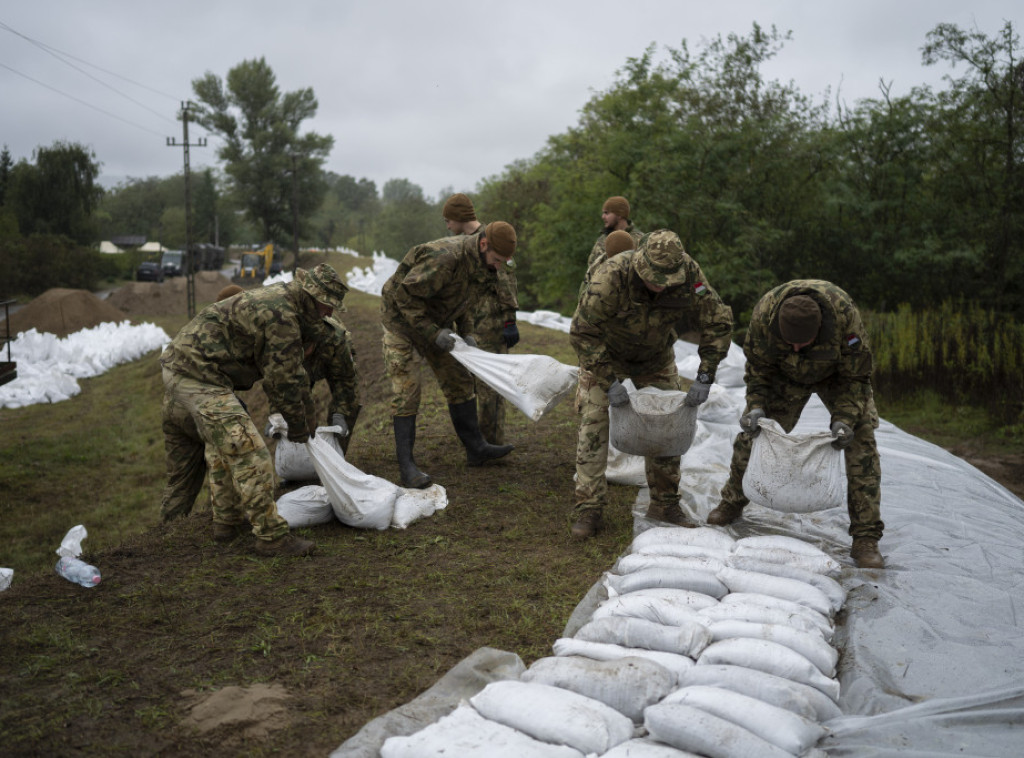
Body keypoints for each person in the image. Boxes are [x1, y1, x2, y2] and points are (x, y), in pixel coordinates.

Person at [158, 263, 349, 557]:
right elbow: (281, 381)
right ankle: (271, 538)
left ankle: (226, 524)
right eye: (327, 306)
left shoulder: (288, 305)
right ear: (312, 296)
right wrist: (299, 427)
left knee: (225, 448)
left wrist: (308, 415)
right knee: (251, 451)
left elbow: (295, 372)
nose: (329, 314)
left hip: (188, 370)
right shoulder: (281, 314)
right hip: (197, 375)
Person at [706, 280, 886, 569]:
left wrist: (845, 419)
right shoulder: (763, 317)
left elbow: (856, 377)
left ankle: (865, 537)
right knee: (754, 435)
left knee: (862, 447)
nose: (796, 347)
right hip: (784, 377)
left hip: (838, 378)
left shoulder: (844, 316)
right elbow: (758, 372)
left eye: (803, 342)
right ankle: (732, 502)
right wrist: (756, 407)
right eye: (789, 342)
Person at [570, 229, 734, 538]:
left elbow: (717, 321)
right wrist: (608, 381)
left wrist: (705, 375)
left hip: (656, 356)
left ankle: (664, 502)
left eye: (666, 279)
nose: (659, 285)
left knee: (668, 424)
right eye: (653, 278)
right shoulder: (610, 278)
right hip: (608, 355)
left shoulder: (690, 275)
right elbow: (582, 332)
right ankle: (588, 508)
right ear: (640, 263)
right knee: (594, 422)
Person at [380, 221, 517, 488]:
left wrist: (467, 333)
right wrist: (433, 333)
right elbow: (403, 297)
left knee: (460, 380)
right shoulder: (445, 258)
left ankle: (476, 448)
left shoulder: (483, 263)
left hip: (436, 321)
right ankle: (407, 467)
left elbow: (464, 300)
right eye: (498, 260)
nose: (499, 266)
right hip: (401, 321)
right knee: (408, 390)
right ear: (484, 244)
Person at [442, 193, 520, 444]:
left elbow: (507, 281)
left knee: (491, 386)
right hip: (469, 322)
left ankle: (492, 440)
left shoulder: (492, 239)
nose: (447, 226)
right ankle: (477, 440)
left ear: (458, 218)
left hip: (491, 323)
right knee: (470, 383)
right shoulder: (463, 243)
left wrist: (509, 320)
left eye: (448, 220)